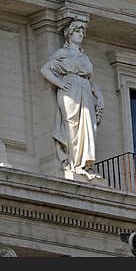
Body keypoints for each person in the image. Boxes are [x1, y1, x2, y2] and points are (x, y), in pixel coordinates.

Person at [40, 18, 105, 179]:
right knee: (73, 126)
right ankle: (75, 164)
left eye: (82, 32)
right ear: (69, 34)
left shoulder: (85, 58)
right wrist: (60, 83)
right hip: (70, 92)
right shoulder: (62, 54)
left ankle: (86, 165)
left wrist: (100, 96)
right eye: (77, 31)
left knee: (89, 128)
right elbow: (45, 69)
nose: (81, 34)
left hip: (85, 91)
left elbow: (91, 81)